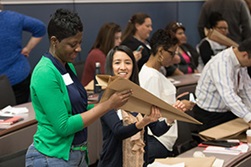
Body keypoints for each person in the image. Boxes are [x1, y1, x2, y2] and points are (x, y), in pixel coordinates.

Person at [25, 9, 132, 167]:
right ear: (54, 41)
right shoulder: (45, 73)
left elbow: (79, 105)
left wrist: (106, 102)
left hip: (77, 154)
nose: (79, 49)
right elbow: (64, 127)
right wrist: (107, 106)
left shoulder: (67, 66)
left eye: (80, 43)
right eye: (73, 44)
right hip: (52, 157)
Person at [97, 45, 174, 167]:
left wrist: (170, 118)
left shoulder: (140, 95)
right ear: (110, 66)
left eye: (128, 63)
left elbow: (157, 130)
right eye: (117, 63)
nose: (123, 67)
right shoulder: (105, 97)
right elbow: (119, 132)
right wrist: (143, 122)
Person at [139, 29, 195, 160]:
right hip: (158, 139)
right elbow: (153, 114)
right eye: (172, 53)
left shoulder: (152, 73)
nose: (175, 57)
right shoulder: (152, 77)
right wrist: (181, 107)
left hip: (161, 139)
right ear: (160, 51)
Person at [193, 38, 251, 132]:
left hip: (228, 112)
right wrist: (249, 117)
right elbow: (228, 95)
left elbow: (246, 90)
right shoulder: (222, 63)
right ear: (245, 54)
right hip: (209, 116)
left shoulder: (241, 63)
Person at [0, 4, 46, 104]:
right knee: (21, 117)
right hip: (19, 76)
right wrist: (27, 49)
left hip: (16, 79)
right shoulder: (14, 17)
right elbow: (40, 28)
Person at [81, 22, 122, 86]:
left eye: (120, 38)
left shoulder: (110, 54)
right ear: (108, 40)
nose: (120, 41)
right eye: (116, 38)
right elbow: (109, 77)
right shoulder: (96, 55)